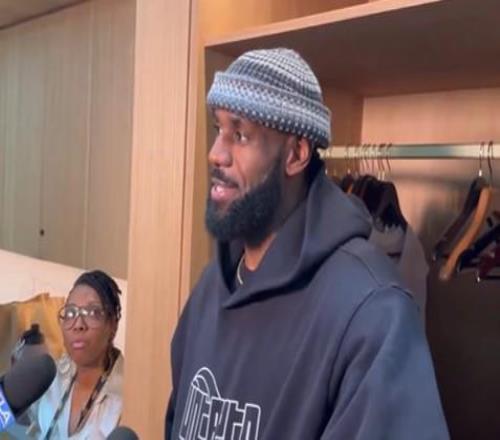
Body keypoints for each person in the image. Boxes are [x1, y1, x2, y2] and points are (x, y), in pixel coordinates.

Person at [165, 48, 449, 439]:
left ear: (296, 154)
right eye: (219, 129)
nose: (216, 153)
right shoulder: (210, 288)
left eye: (240, 134)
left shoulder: (372, 310)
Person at [25, 270, 124, 439]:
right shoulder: (52, 375)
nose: (78, 325)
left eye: (93, 313)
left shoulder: (128, 395)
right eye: (70, 313)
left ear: (113, 325)